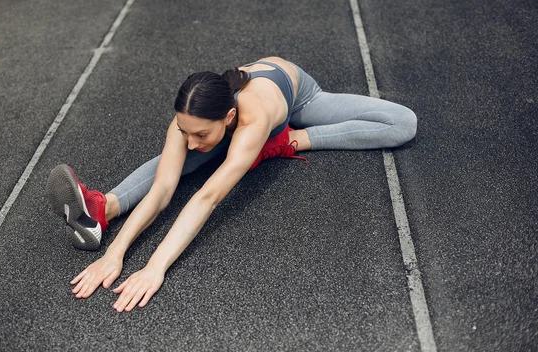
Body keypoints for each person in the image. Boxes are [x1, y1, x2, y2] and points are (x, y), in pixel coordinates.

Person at [46, 56, 417, 312]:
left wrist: (155, 266)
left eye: (201, 133)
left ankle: (288, 139)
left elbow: (208, 197)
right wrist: (117, 253)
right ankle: (102, 209)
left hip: (298, 97)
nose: (190, 140)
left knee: (402, 124)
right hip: (230, 121)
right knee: (174, 163)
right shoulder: (192, 117)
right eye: (184, 130)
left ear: (229, 117)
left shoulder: (252, 115)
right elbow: (162, 189)